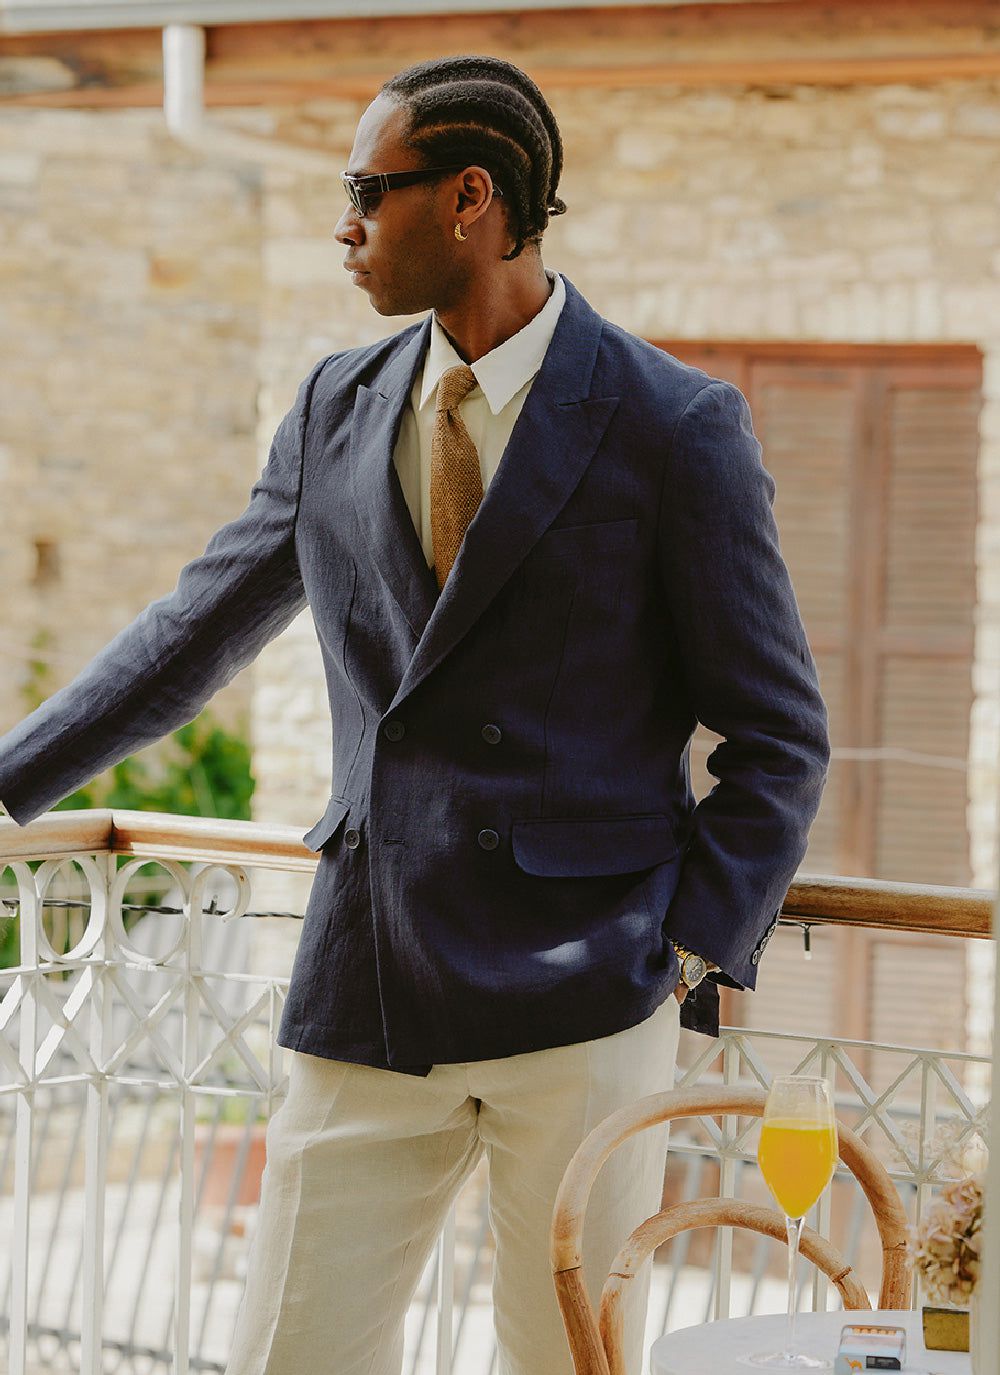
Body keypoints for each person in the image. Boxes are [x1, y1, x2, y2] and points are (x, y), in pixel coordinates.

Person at [0, 55, 830, 1375]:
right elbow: (191, 633)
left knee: (564, 1363)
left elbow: (780, 736)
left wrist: (678, 951)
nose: (344, 225)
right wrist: (6, 784)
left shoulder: (674, 426)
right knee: (295, 1351)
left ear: (469, 201)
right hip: (371, 981)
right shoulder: (336, 405)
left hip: (587, 1002)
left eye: (365, 193)